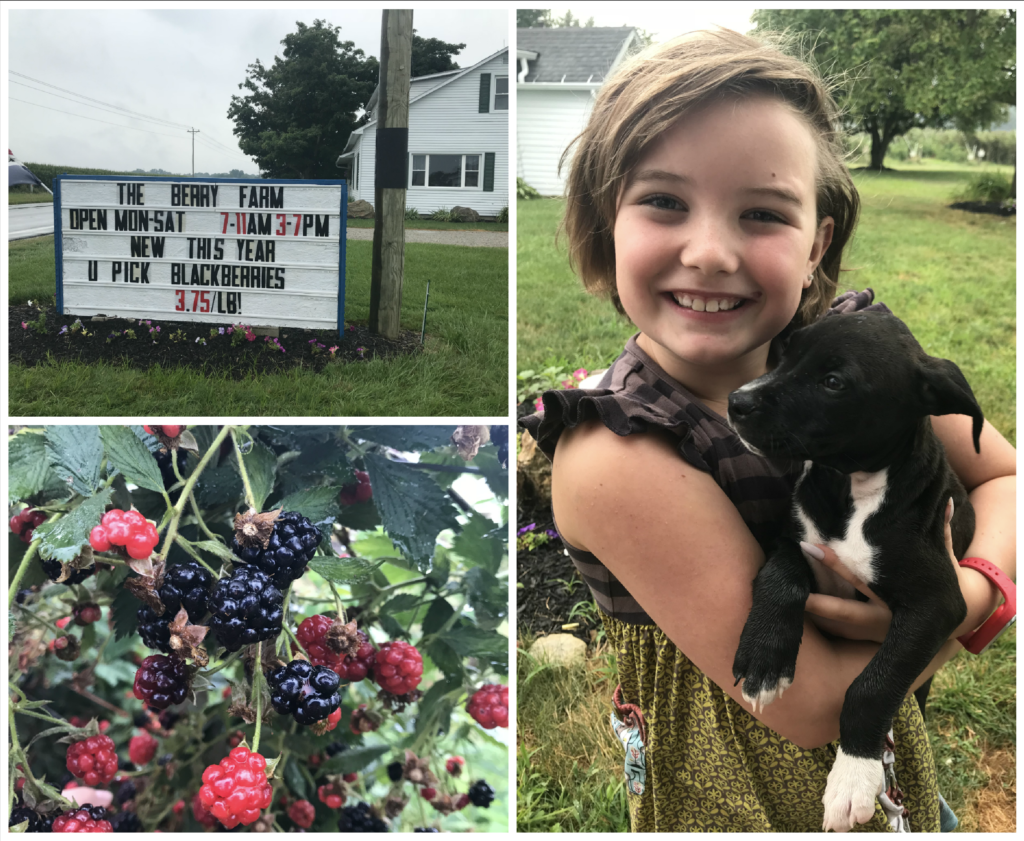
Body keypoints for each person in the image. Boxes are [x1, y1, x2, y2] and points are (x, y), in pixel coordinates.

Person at [520, 28, 1016, 832]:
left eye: (762, 212)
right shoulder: (618, 451)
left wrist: (976, 588)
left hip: (885, 762)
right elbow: (813, 707)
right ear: (606, 219)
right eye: (664, 201)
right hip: (745, 796)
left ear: (818, 244)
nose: (711, 253)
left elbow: (1003, 475)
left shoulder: (858, 358)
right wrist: (940, 624)